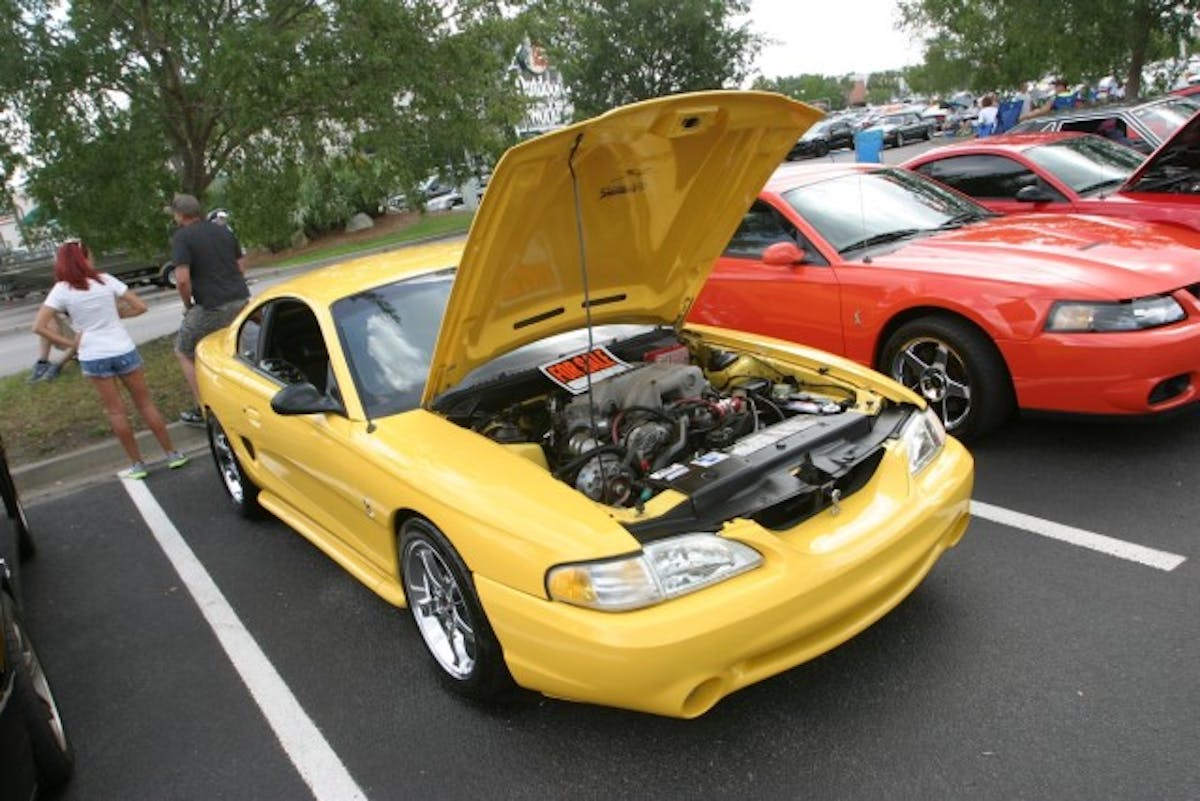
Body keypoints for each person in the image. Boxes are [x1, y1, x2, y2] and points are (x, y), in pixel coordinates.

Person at [32, 241, 188, 479]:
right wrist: (120, 314)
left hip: (93, 354)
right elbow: (141, 306)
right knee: (145, 403)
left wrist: (71, 344)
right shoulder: (105, 280)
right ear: (83, 259)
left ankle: (137, 464)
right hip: (122, 348)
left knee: (116, 412)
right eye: (90, 256)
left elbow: (39, 326)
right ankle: (172, 453)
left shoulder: (62, 290)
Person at [165, 193, 250, 426]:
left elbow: (182, 279)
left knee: (184, 350)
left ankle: (204, 408)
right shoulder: (224, 231)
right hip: (241, 300)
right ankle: (243, 399)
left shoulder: (182, 237)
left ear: (179, 215)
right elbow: (241, 266)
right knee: (233, 348)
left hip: (212, 305)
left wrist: (189, 306)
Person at [28, 311, 77, 382]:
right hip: (73, 340)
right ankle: (43, 363)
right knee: (47, 322)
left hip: (88, 341)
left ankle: (56, 367)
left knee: (80, 337)